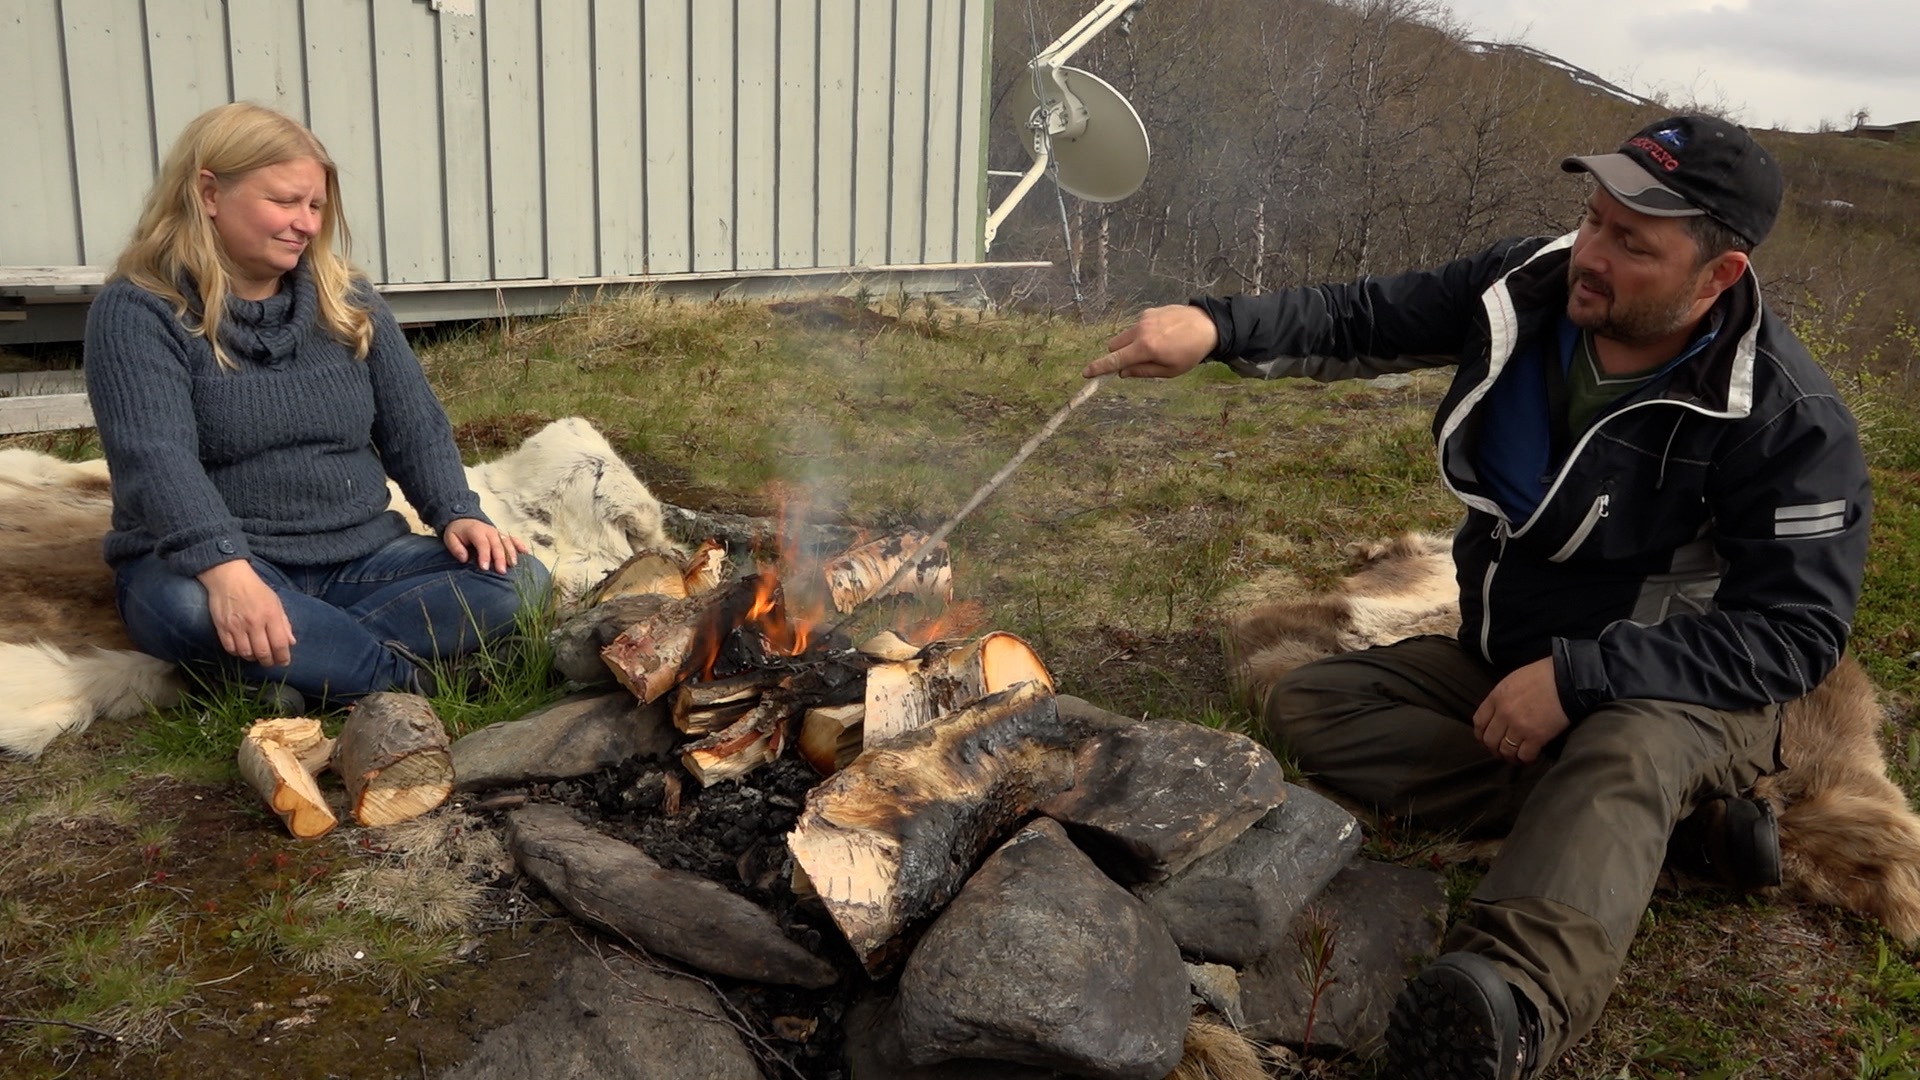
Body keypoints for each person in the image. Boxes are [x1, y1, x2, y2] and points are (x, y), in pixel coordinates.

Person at [1084, 115, 1871, 1079]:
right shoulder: (1526, 285)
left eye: (1634, 244)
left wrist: (1582, 681)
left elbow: (1795, 634)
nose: (1592, 253)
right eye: (1593, 219)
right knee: (1315, 700)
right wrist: (1215, 327)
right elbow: (1363, 317)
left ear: (1719, 276)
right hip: (1505, 650)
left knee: (1626, 746)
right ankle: (1649, 829)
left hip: (1679, 688)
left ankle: (1517, 1003)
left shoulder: (1787, 418)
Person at [84, 102, 551, 713]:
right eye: (285, 202)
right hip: (207, 563)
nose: (305, 224)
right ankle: (415, 684)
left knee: (520, 581)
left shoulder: (346, 299)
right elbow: (156, 460)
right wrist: (227, 573)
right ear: (208, 193)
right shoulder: (140, 310)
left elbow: (414, 425)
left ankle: (303, 669)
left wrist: (456, 512)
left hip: (360, 556)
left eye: (316, 206)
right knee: (189, 613)